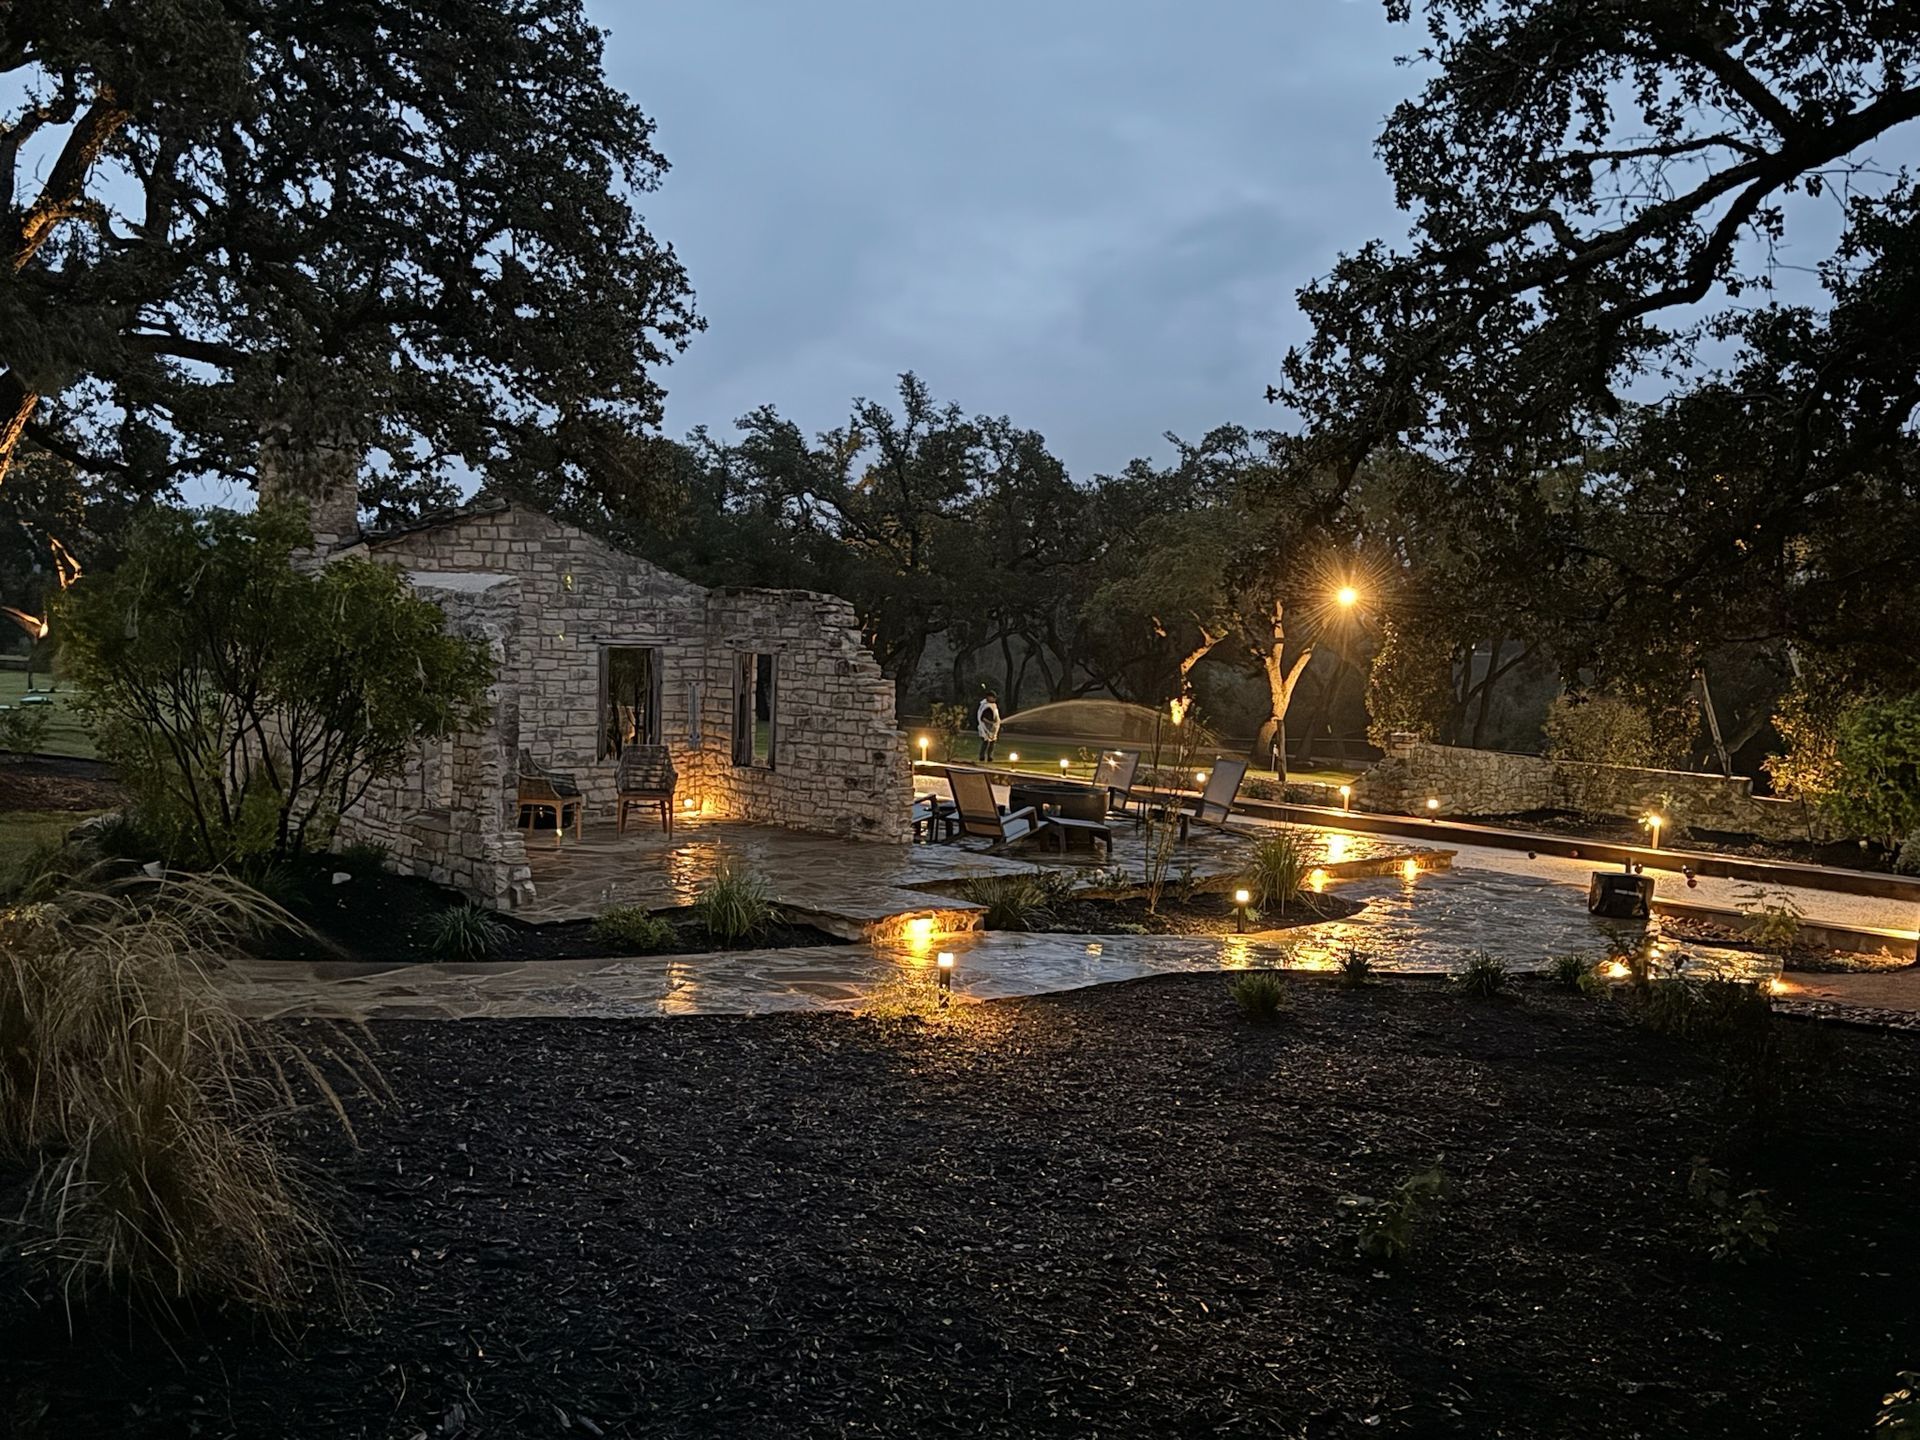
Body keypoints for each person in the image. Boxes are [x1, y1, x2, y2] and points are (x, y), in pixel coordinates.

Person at [975, 690, 1002, 762]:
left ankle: (990, 757)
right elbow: (983, 718)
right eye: (993, 697)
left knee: (992, 742)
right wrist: (990, 723)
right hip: (985, 728)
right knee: (986, 742)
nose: (994, 699)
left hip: (992, 728)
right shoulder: (986, 706)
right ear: (989, 697)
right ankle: (982, 757)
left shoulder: (993, 706)